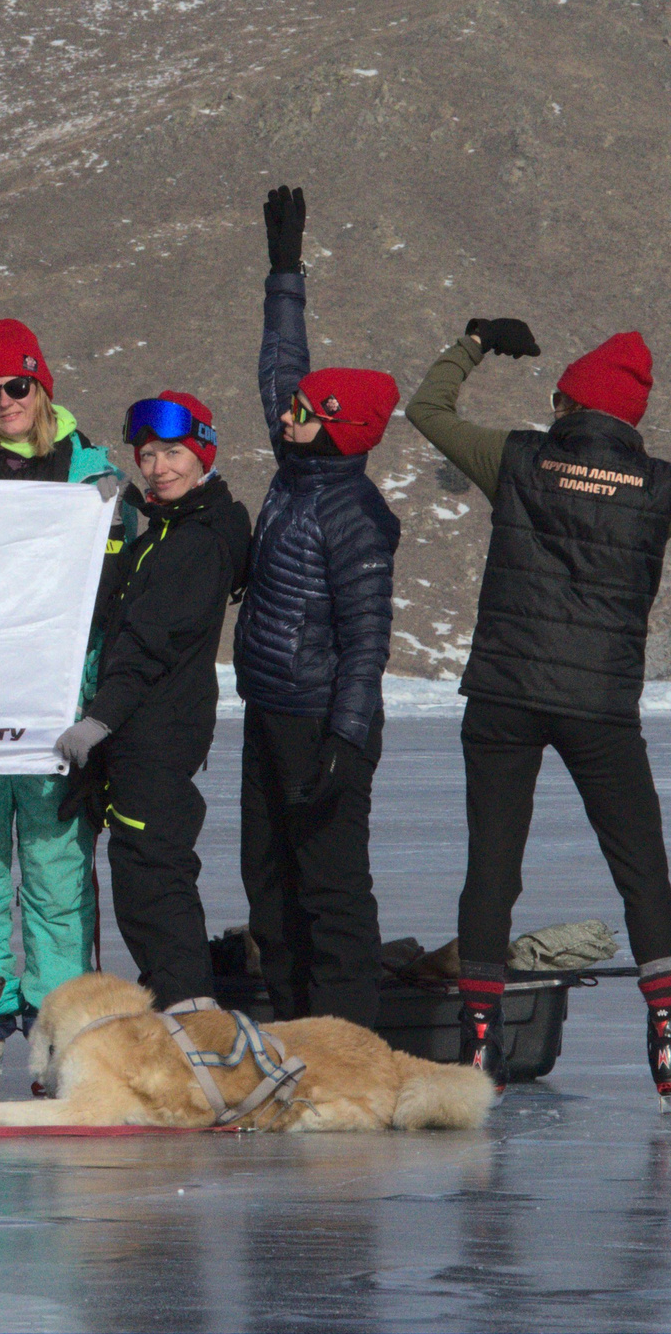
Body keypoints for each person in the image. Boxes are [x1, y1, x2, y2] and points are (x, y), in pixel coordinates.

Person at [406, 320, 671, 1101]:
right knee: (641, 869)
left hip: (504, 695)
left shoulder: (516, 460)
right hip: (600, 705)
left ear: (566, 402)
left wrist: (474, 342)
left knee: (492, 865)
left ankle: (479, 1045)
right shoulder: (659, 489)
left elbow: (428, 409)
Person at [0, 319, 130, 1079]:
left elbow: (123, 602)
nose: (4, 401)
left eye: (16, 385)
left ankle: (61, 1033)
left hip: (58, 713)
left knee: (56, 875)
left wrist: (105, 708)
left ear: (41, 385)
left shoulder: (99, 479)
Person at [232, 186, 404, 1027]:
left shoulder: (356, 514)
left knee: (331, 889)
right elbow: (280, 367)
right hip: (268, 710)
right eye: (296, 409)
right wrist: (283, 274)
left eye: (306, 413)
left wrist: (344, 739)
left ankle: (348, 1043)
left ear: (339, 429)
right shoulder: (296, 471)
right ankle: (295, 1031)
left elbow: (369, 643)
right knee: (268, 884)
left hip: (321, 724)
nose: (288, 413)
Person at [53, 389, 252, 1009]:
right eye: (147, 455)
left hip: (158, 735)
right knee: (141, 879)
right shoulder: (164, 530)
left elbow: (147, 644)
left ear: (202, 455)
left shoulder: (199, 539)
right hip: (141, 733)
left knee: (155, 883)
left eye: (173, 453)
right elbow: (110, 599)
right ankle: (175, 1004)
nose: (159, 468)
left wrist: (96, 723)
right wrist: (111, 531)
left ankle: (190, 1019)